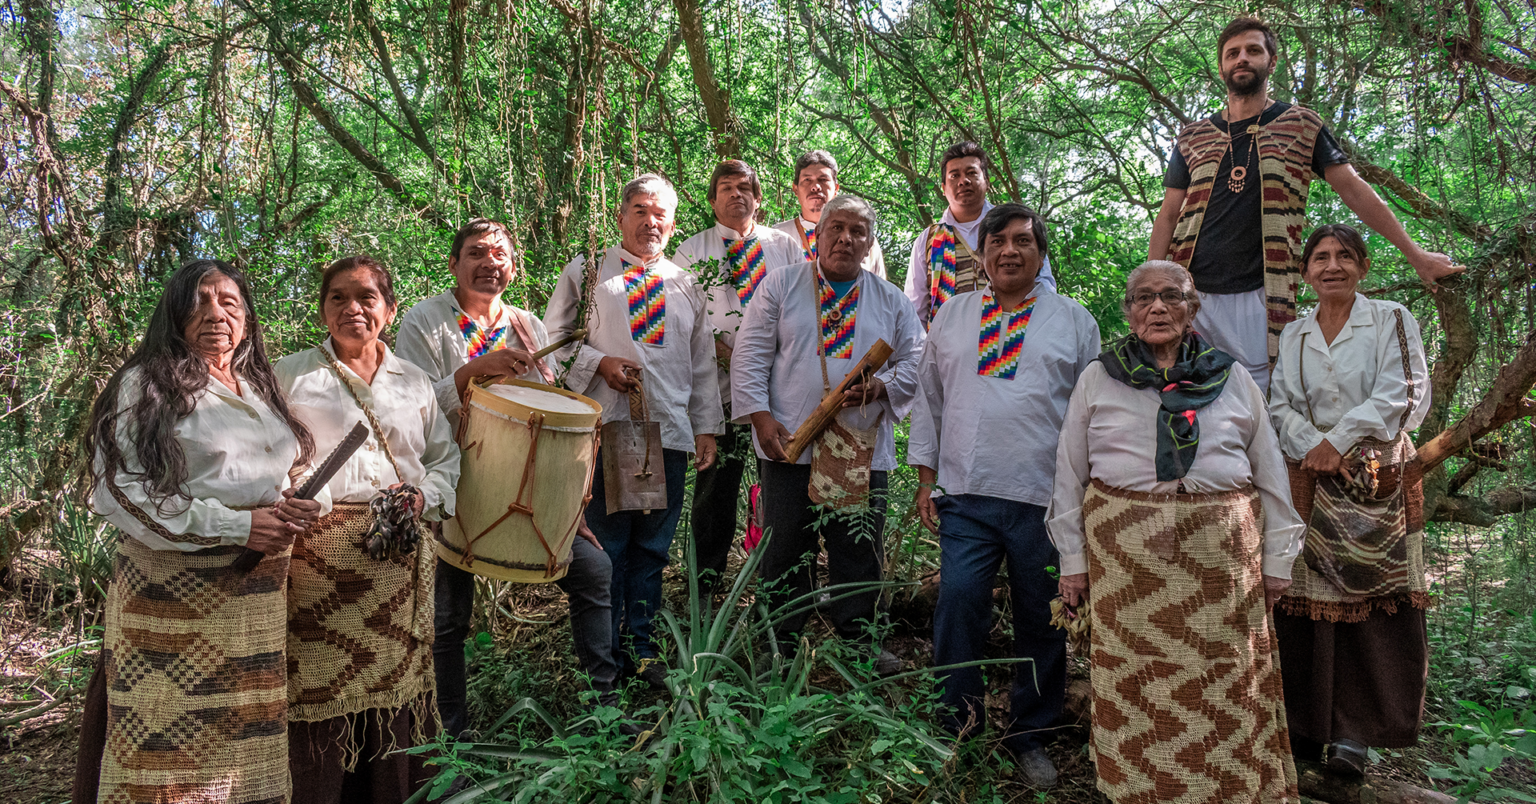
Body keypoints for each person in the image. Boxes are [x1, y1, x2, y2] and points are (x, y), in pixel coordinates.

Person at [1048, 261, 1304, 803]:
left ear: (1194, 307)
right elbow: (1069, 475)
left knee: (1227, 686)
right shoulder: (1100, 376)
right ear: (1128, 311)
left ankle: (1230, 792)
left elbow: (1271, 475)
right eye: (1143, 297)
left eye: (1171, 296)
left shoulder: (1231, 376)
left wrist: (1278, 562)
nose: (1156, 307)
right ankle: (1139, 791)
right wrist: (1073, 562)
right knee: (1137, 690)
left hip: (1222, 573)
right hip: (1127, 571)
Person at [78, 259, 325, 804]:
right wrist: (236, 525)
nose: (216, 314)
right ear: (174, 313)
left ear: (248, 319)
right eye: (200, 301)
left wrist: (301, 501)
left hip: (253, 604)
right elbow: (119, 490)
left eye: (229, 302)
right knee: (165, 755)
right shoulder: (144, 384)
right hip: (171, 601)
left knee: (247, 746)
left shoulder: (258, 387)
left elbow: (290, 466)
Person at [1148, 16, 1459, 391]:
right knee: (1183, 392)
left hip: (1263, 292)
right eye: (1232, 53)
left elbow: (1353, 188)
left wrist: (1416, 255)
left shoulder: (1301, 125)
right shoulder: (1192, 137)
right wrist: (1154, 282)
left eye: (1253, 50)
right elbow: (1169, 215)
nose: (1242, 59)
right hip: (1193, 293)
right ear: (1222, 66)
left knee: (1259, 398)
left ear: (1272, 61)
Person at [394, 219, 618, 737]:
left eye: (500, 255)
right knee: (448, 615)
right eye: (475, 252)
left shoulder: (527, 325)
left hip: (526, 493)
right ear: (453, 264)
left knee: (593, 571)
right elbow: (408, 406)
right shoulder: (425, 321)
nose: (489, 262)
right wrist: (474, 371)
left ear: (513, 269)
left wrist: (571, 507)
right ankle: (449, 733)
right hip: (450, 488)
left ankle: (603, 714)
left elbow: (547, 419)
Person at [908, 204, 1100, 787]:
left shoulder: (1072, 320)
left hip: (1045, 497)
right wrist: (925, 477)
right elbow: (930, 398)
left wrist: (1087, 495)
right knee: (959, 602)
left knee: (1040, 619)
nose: (1008, 251)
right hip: (965, 491)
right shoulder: (955, 314)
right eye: (997, 242)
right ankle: (954, 724)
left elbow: (1094, 413)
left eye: (1022, 241)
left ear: (1040, 253)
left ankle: (1030, 732)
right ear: (982, 254)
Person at [275, 256, 460, 803]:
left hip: (396, 563)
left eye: (367, 297)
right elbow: (267, 455)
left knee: (394, 687)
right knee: (318, 684)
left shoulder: (416, 381)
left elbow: (444, 458)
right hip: (316, 562)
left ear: (389, 309)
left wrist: (425, 495)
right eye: (338, 297)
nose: (353, 308)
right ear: (322, 309)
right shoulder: (291, 375)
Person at [732, 193, 923, 673]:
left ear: (869, 244)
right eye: (836, 227)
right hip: (789, 443)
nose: (845, 238)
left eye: (857, 231)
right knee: (784, 546)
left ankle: (860, 645)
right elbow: (750, 354)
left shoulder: (891, 300)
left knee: (857, 547)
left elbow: (918, 362)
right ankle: (780, 643)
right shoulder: (781, 285)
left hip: (860, 448)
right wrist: (760, 416)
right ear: (817, 235)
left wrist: (882, 386)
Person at [545, 174, 722, 687]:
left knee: (652, 548)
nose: (650, 221)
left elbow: (702, 362)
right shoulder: (588, 271)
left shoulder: (685, 283)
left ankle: (641, 648)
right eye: (640, 210)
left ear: (672, 222)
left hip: (666, 436)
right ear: (622, 216)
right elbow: (553, 341)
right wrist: (598, 364)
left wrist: (706, 427)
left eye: (660, 213)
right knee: (606, 548)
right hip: (604, 433)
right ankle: (604, 659)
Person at [1268, 225, 1432, 776]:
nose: (1331, 266)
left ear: (1362, 265)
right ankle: (1306, 729)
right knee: (1303, 603)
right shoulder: (1294, 333)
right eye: (1319, 257)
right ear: (1305, 271)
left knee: (1372, 601)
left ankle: (1354, 736)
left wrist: (1338, 443)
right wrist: (1312, 445)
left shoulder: (1389, 318)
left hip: (1378, 479)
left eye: (1343, 256)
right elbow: (1280, 404)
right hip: (1307, 479)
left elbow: (1405, 392)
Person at [674, 160, 802, 591]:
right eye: (726, 188)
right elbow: (685, 319)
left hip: (779, 390)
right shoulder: (691, 251)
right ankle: (705, 588)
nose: (736, 194)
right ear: (712, 200)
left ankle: (777, 589)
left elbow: (803, 307)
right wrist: (728, 354)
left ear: (758, 198)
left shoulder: (784, 247)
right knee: (716, 491)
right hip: (719, 390)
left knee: (781, 488)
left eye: (745, 187)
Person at [904, 141, 1056, 327]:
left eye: (971, 173)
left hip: (1014, 339)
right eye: (954, 175)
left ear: (987, 181)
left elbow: (1045, 287)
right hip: (947, 349)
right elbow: (914, 309)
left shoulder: (1017, 227)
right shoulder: (928, 240)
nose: (963, 181)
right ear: (943, 188)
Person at [772, 149, 887, 278]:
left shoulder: (862, 239)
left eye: (823, 179)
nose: (815, 187)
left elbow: (878, 288)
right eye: (807, 180)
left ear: (836, 189)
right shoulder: (776, 237)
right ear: (795, 189)